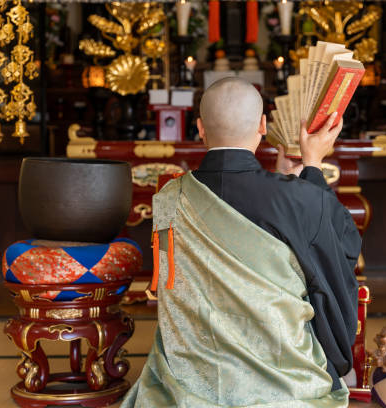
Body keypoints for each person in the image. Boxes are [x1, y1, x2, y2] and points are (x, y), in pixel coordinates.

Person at [122, 77, 361, 407]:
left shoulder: (169, 199)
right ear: (263, 125)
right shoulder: (301, 198)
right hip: (285, 382)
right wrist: (312, 167)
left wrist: (292, 187)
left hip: (192, 379)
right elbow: (341, 248)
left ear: (200, 128)